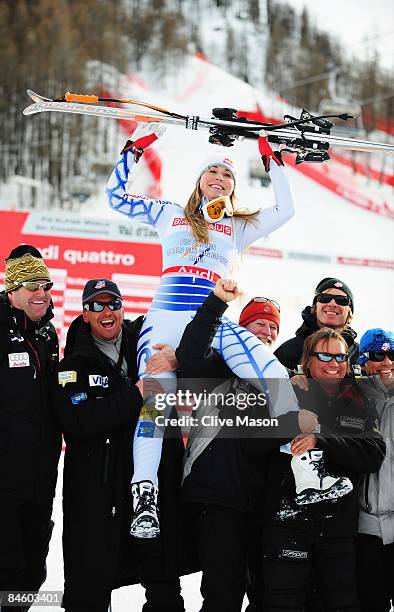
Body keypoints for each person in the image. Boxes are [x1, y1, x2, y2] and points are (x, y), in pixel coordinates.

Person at [106, 122, 299, 537]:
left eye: (228, 174)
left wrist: (271, 157)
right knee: (155, 409)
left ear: (233, 186)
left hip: (212, 322)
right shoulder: (171, 213)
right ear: (200, 180)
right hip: (164, 325)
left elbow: (286, 209)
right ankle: (145, 497)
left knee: (275, 376)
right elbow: (115, 198)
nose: (219, 178)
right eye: (213, 171)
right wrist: (136, 147)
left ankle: (299, 468)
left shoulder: (240, 226)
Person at [174, 279, 316, 612]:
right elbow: (191, 356)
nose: (266, 332)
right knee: (224, 595)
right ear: (241, 329)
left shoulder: (276, 380)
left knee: (265, 596)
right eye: (258, 324)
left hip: (259, 501)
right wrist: (216, 305)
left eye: (272, 327)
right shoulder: (218, 365)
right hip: (216, 493)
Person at [53, 279, 185, 612]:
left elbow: (195, 344)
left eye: (113, 303)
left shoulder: (145, 343)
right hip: (97, 498)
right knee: (88, 593)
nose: (106, 311)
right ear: (85, 314)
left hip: (149, 495)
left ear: (123, 308)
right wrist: (136, 393)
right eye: (97, 305)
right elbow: (80, 422)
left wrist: (175, 358)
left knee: (165, 590)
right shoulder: (71, 366)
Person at [261, 327, 385, 612]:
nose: (334, 363)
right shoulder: (285, 388)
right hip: (286, 525)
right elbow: (251, 443)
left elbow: (373, 454)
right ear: (307, 361)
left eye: (341, 357)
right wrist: (293, 423)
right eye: (325, 355)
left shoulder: (360, 398)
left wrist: (322, 438)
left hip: (338, 530)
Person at [0, 245, 61, 612]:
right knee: (7, 569)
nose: (42, 293)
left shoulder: (48, 334)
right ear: (12, 290)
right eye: (32, 286)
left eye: (46, 285)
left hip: (41, 481)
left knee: (31, 573)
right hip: (4, 482)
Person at [356, 328, 394, 612]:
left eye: (392, 354)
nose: (387, 361)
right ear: (363, 360)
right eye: (378, 354)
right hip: (363, 529)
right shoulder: (350, 396)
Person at [275, 277, 359, 372]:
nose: (332, 304)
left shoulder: (360, 355)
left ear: (350, 312)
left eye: (341, 300)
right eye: (325, 298)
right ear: (315, 307)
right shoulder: (289, 351)